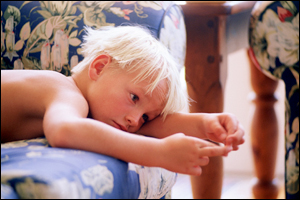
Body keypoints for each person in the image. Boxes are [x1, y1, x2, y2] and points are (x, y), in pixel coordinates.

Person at [1, 25, 245, 176]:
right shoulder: (63, 91)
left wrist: (205, 125)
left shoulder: (95, 110)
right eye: (134, 97)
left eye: (146, 115)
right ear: (99, 67)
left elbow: (148, 126)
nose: (134, 120)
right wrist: (158, 152)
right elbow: (64, 131)